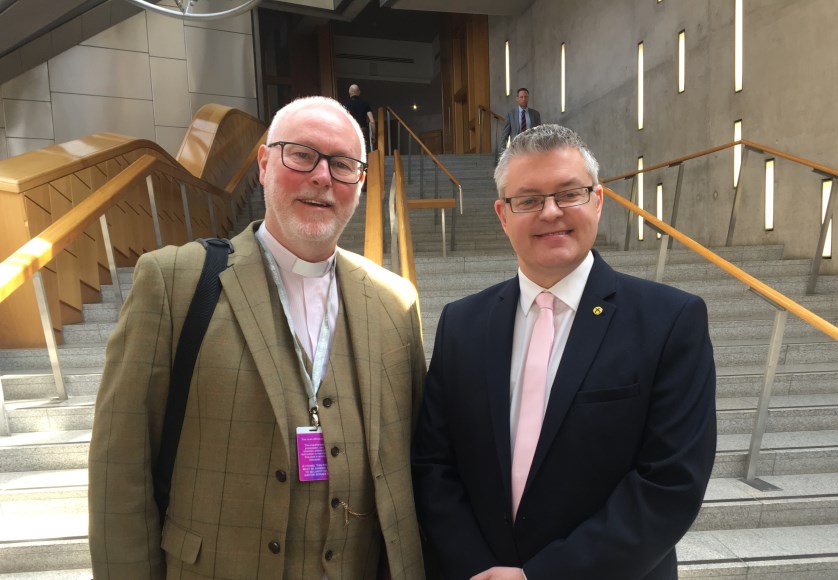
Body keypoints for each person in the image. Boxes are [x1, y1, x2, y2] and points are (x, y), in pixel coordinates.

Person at [88, 96, 426, 579]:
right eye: (302, 154)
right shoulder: (175, 282)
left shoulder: (396, 303)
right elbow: (118, 470)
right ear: (265, 163)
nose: (322, 176)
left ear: (360, 182)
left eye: (343, 164)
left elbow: (414, 464)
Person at [412, 124, 717, 579]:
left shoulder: (670, 321)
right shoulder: (462, 324)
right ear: (502, 213)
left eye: (568, 193)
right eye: (528, 199)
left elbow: (669, 483)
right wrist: (476, 568)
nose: (550, 212)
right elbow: (433, 464)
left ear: (598, 199)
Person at [498, 88, 541, 156]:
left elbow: (539, 134)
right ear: (517, 99)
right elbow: (504, 135)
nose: (524, 99)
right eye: (521, 97)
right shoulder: (510, 114)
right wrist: (503, 153)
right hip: (516, 151)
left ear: (528, 98)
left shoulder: (535, 114)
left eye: (525, 97)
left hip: (531, 150)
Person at [347, 84, 376, 151]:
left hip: (352, 131)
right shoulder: (365, 104)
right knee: (363, 153)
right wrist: (373, 135)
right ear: (359, 92)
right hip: (362, 131)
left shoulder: (347, 105)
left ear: (349, 92)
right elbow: (372, 121)